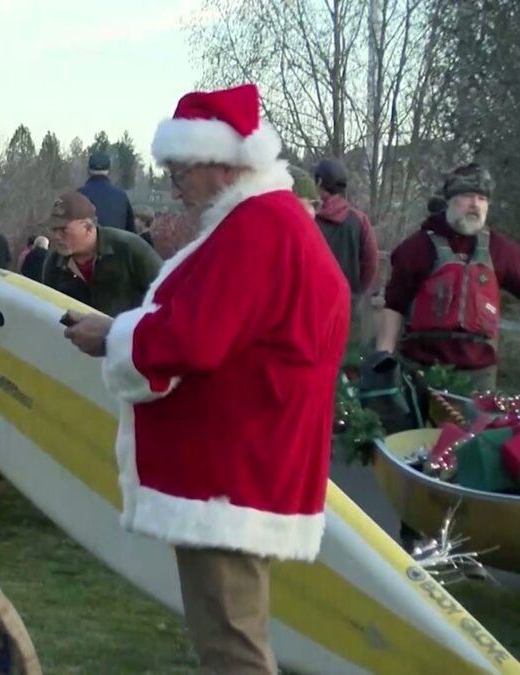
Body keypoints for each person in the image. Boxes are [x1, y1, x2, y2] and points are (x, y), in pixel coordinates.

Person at [62, 83, 349, 675]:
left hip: (232, 471)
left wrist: (111, 336)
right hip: (251, 460)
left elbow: (195, 336)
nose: (174, 186)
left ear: (223, 161)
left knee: (231, 643)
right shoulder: (275, 222)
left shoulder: (257, 227)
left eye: (179, 170)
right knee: (232, 631)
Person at [375, 163, 520, 392]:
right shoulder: (417, 247)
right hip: (422, 369)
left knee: (479, 428)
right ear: (449, 200)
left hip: (479, 375)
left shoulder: (499, 249)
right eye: (467, 196)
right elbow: (394, 305)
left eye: (482, 198)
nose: (475, 204)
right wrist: (383, 358)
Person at [41, 191, 162, 317]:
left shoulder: (128, 248)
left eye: (63, 230)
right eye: (53, 230)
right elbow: (49, 311)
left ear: (88, 227)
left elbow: (169, 290)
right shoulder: (54, 264)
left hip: (129, 334)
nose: (56, 236)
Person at [313, 158, 380, 365]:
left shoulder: (307, 217)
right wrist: (357, 291)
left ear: (318, 182)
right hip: (346, 307)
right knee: (343, 365)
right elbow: (371, 263)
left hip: (310, 307)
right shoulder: (358, 220)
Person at [78, 151, 135, 232]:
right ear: (109, 171)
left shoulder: (78, 196)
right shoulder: (122, 197)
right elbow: (132, 234)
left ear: (88, 170)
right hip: (115, 244)